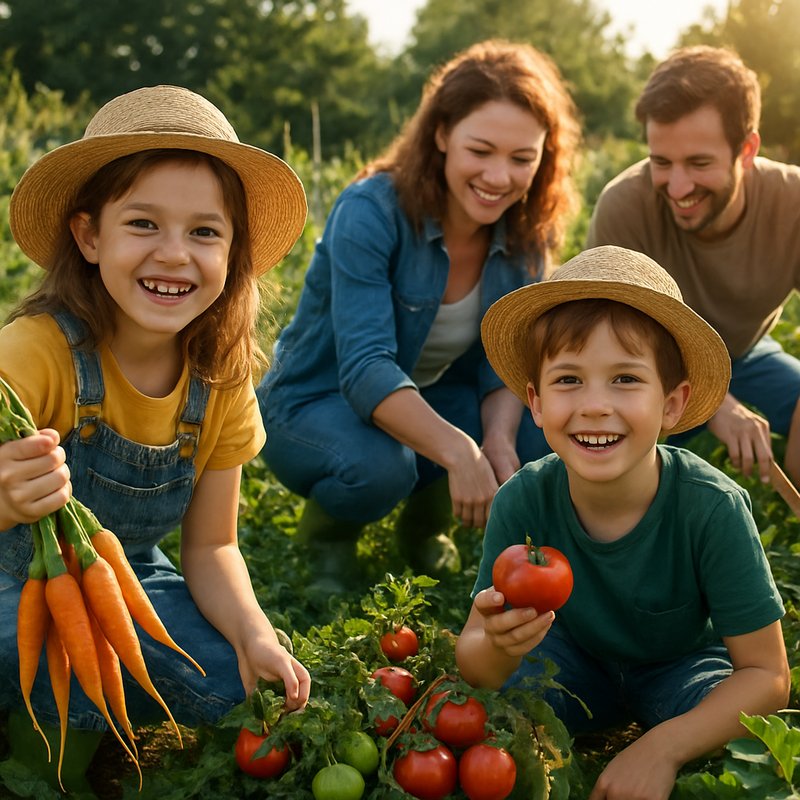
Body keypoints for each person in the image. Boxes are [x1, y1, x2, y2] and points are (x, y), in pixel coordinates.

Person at [0, 85, 311, 792]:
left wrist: (255, 634)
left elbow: (212, 546)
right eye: (143, 223)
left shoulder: (219, 377)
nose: (174, 255)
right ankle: (43, 747)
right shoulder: (33, 356)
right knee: (54, 662)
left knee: (232, 686)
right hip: (12, 577)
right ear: (89, 236)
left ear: (233, 252)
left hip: (129, 578)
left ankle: (77, 703)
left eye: (205, 232)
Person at [456, 246, 789, 800]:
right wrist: (497, 643)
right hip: (568, 660)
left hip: (678, 667)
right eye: (568, 380)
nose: (593, 406)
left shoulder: (711, 507)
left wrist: (665, 746)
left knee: (737, 724)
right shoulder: (523, 501)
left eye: (626, 379)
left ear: (672, 404)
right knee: (500, 707)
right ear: (535, 405)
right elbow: (475, 659)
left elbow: (768, 676)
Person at [256, 40, 580, 590]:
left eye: (522, 159)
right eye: (481, 150)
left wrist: (495, 440)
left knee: (533, 434)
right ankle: (326, 539)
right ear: (441, 136)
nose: (500, 177)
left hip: (430, 394)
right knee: (382, 465)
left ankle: (423, 525)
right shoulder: (371, 210)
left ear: (543, 157)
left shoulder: (528, 231)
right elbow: (364, 368)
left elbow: (505, 361)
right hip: (315, 400)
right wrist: (460, 450)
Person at [586, 45, 800, 488]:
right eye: (661, 162)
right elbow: (606, 348)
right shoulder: (624, 206)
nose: (678, 187)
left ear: (747, 149)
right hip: (652, 364)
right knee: (597, 456)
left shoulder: (792, 202)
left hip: (744, 352)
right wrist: (718, 404)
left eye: (699, 163)